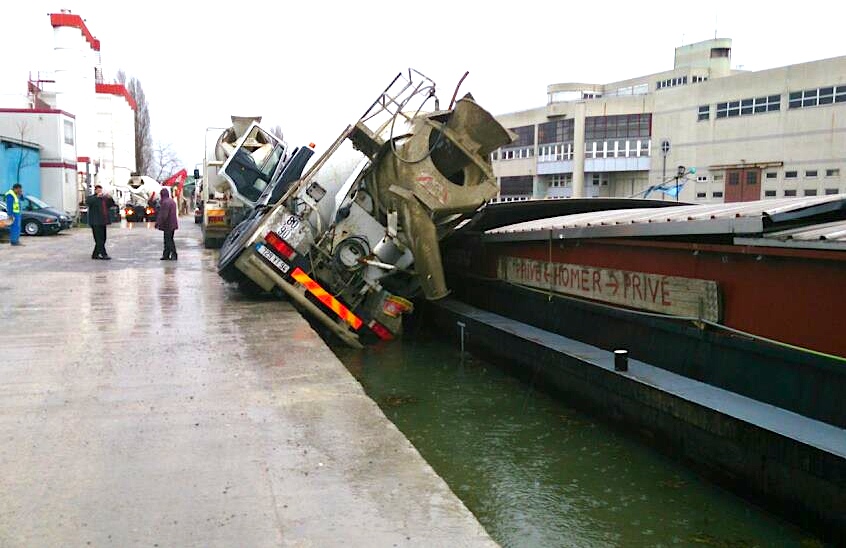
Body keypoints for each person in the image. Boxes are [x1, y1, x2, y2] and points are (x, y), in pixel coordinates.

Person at [85, 184, 115, 260]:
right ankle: (104, 254)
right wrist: (96, 197)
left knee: (103, 238)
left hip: (103, 221)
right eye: (98, 190)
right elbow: (88, 202)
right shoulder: (92, 198)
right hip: (95, 222)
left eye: (100, 189)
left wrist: (110, 197)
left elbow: (112, 204)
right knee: (99, 239)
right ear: (95, 191)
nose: (99, 191)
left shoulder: (104, 199)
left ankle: (95, 254)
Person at [155, 187, 179, 260]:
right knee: (169, 239)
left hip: (168, 224)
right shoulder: (171, 201)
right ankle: (166, 255)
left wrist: (159, 223)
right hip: (172, 224)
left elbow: (164, 215)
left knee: (168, 240)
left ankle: (173, 254)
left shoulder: (165, 202)